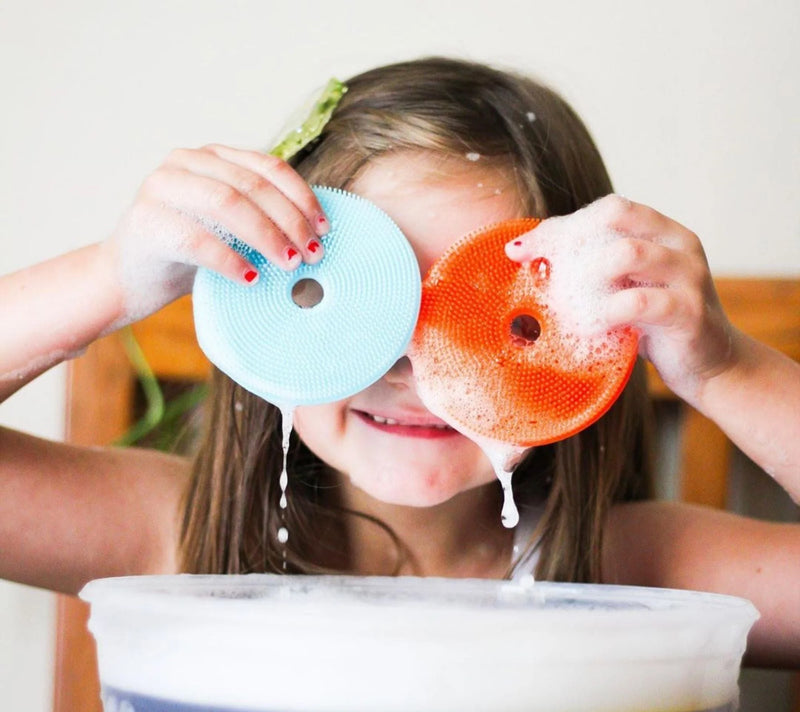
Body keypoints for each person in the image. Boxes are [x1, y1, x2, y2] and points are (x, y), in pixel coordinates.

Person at [1, 57, 798, 668]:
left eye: (489, 321)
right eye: (355, 304)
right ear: (265, 313)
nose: (412, 370)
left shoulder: (638, 574)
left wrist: (725, 371)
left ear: (592, 341)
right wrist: (112, 277)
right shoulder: (173, 537)